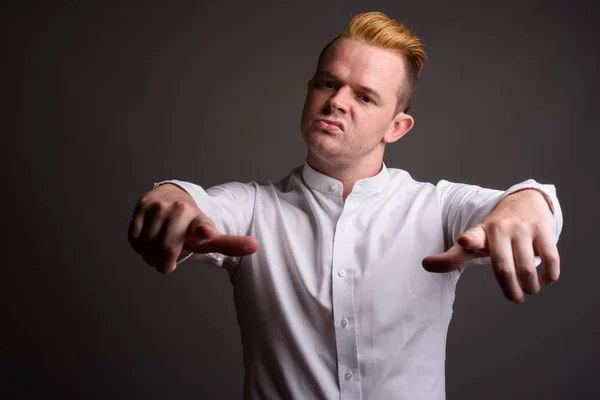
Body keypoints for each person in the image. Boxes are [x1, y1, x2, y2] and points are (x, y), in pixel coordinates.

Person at [128, 11, 562, 400]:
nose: (336, 101)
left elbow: (523, 202)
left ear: (397, 127)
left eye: (365, 96)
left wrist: (524, 205)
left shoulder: (437, 207)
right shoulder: (254, 206)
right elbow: (197, 203)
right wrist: (173, 196)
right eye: (328, 83)